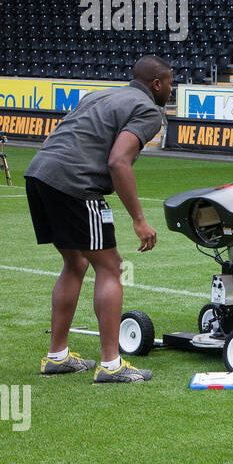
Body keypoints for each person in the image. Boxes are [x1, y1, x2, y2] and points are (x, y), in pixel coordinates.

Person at [25, 55, 172, 383]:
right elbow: (118, 162)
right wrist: (138, 219)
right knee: (110, 266)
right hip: (76, 183)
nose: (171, 90)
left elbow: (51, 140)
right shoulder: (149, 110)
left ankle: (56, 357)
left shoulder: (99, 94)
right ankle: (111, 364)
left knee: (75, 263)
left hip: (39, 174)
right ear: (156, 84)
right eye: (170, 83)